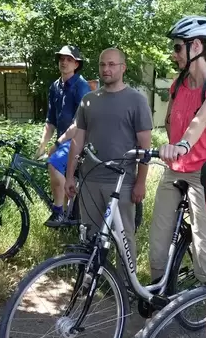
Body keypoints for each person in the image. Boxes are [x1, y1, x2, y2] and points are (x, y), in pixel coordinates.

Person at [150, 15, 206, 336]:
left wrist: (182, 144)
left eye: (178, 47)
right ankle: (159, 303)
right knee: (157, 246)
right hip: (176, 169)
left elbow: (200, 121)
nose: (174, 53)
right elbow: (173, 121)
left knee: (205, 251)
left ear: (197, 46)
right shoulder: (177, 84)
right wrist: (168, 145)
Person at [64, 48, 152, 265]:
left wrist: (141, 182)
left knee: (124, 239)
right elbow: (77, 141)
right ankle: (90, 284)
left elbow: (145, 147)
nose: (106, 69)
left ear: (123, 67)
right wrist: (69, 176)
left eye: (112, 64)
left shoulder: (136, 100)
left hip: (122, 183)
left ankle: (126, 288)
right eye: (103, 64)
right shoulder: (88, 100)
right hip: (89, 181)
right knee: (89, 237)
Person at [34, 45, 91, 226]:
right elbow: (50, 121)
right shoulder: (55, 87)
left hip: (78, 139)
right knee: (55, 164)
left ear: (76, 64)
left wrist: (56, 145)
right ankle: (67, 211)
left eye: (69, 59)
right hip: (63, 139)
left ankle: (58, 212)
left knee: (54, 163)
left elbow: (79, 124)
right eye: (61, 59)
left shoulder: (81, 86)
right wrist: (42, 145)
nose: (64, 62)